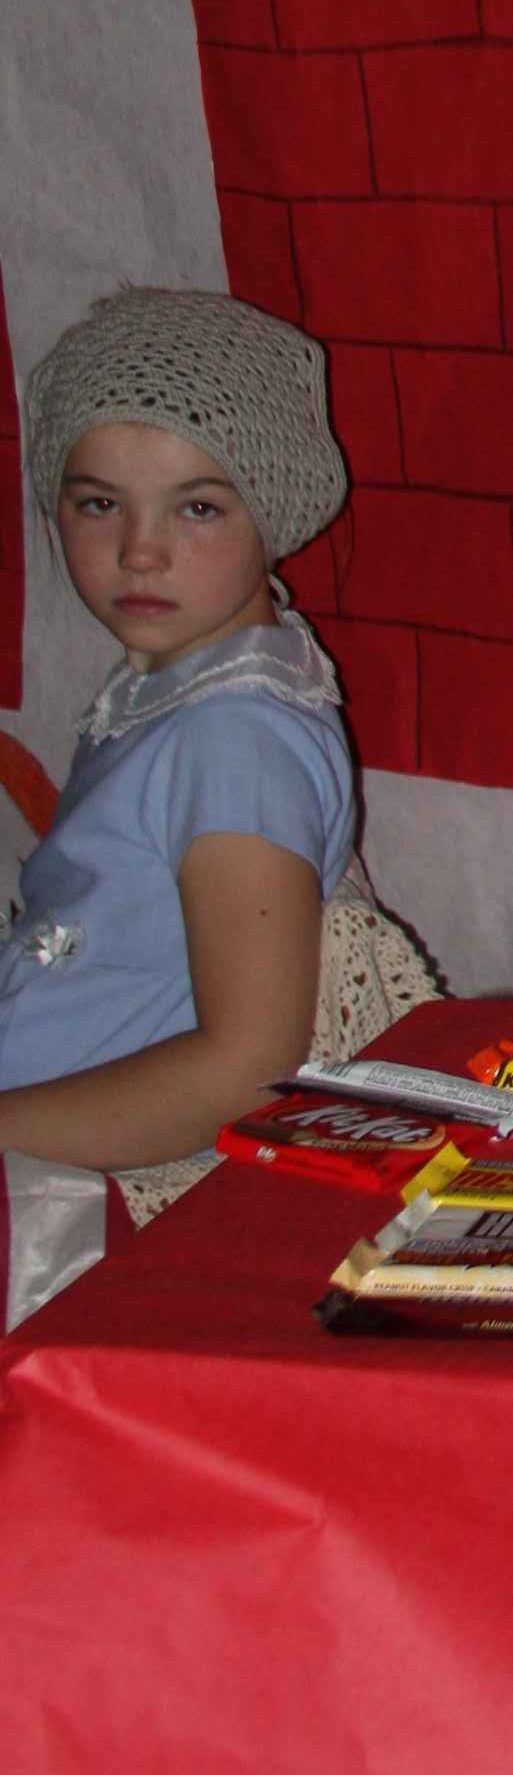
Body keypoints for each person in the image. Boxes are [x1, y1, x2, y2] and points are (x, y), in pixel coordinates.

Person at [1, 288, 360, 1325]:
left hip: (100, 1224)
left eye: (197, 507)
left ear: (271, 510)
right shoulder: (186, 689)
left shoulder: (233, 739)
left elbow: (248, 1067)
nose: (140, 551)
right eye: (98, 503)